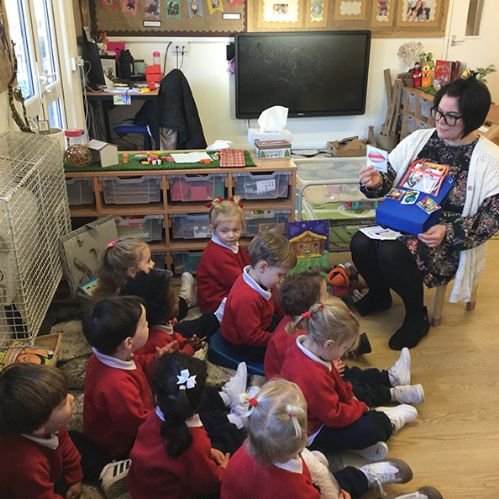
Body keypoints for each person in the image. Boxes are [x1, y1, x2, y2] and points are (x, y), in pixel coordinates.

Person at [351, 75, 499, 349]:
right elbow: (388, 177)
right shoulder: (420, 140)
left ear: (473, 118)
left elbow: (492, 219)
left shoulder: (490, 159)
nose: (440, 121)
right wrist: (374, 182)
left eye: (451, 117)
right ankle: (380, 295)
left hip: (445, 239)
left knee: (392, 252)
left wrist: (448, 231)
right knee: (359, 241)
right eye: (438, 112)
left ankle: (416, 316)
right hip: (402, 221)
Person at [222, 379, 414, 499]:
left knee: (324, 476)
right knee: (333, 486)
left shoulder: (246, 449)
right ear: (303, 438)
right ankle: (362, 480)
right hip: (292, 490)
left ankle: (362, 477)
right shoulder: (294, 488)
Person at [280, 301, 418, 460]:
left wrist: (351, 398)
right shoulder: (310, 376)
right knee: (373, 427)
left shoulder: (311, 349)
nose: (343, 354)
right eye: (344, 348)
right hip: (315, 431)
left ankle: (391, 391)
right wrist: (360, 408)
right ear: (329, 345)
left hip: (324, 411)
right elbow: (333, 416)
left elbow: (337, 383)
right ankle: (388, 420)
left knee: (354, 387)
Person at [266, 272, 424, 407]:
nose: (328, 296)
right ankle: (393, 394)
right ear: (312, 306)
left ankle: (390, 378)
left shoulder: (304, 323)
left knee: (351, 372)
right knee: (351, 386)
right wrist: (330, 366)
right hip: (299, 384)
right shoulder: (291, 335)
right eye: (325, 295)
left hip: (316, 366)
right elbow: (296, 370)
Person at [82, 295, 176, 460]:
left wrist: (155, 360)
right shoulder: (116, 385)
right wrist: (167, 414)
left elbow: (136, 363)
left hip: (133, 415)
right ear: (128, 343)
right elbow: (137, 423)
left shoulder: (108, 355)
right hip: (120, 445)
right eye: (145, 325)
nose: (148, 325)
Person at [127, 353, 230, 498]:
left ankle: (230, 402)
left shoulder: (151, 418)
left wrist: (207, 451)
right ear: (199, 401)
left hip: (139, 486)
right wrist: (223, 471)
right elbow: (208, 484)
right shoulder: (196, 442)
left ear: (156, 395)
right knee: (229, 437)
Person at [0, 364, 84, 498]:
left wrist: (75, 476)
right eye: (63, 404)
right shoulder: (27, 466)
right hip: (26, 490)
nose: (71, 397)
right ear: (39, 427)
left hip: (47, 470)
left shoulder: (51, 426)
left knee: (78, 439)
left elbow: (67, 448)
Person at [221, 231, 297, 362]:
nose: (282, 279)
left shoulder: (263, 279)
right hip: (244, 344)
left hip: (261, 324)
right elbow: (250, 336)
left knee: (291, 331)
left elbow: (276, 303)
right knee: (287, 353)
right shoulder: (246, 298)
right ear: (263, 267)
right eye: (280, 275)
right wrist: (278, 338)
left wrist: (288, 316)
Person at [122, 268, 220, 353]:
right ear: (162, 314)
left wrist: (183, 341)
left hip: (171, 329)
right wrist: (189, 348)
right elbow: (175, 361)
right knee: (206, 321)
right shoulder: (160, 342)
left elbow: (175, 337)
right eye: (173, 301)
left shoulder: (158, 324)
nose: (178, 300)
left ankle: (187, 299)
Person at [94, 237, 197, 318]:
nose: (153, 263)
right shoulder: (126, 303)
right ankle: (186, 299)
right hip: (152, 327)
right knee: (178, 309)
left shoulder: (116, 286)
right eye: (148, 261)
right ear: (132, 272)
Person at [197, 196, 250, 314]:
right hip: (215, 301)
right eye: (224, 231)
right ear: (213, 230)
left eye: (236, 230)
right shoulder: (216, 253)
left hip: (228, 288)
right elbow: (237, 281)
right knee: (249, 304)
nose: (231, 235)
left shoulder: (230, 243)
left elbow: (246, 263)